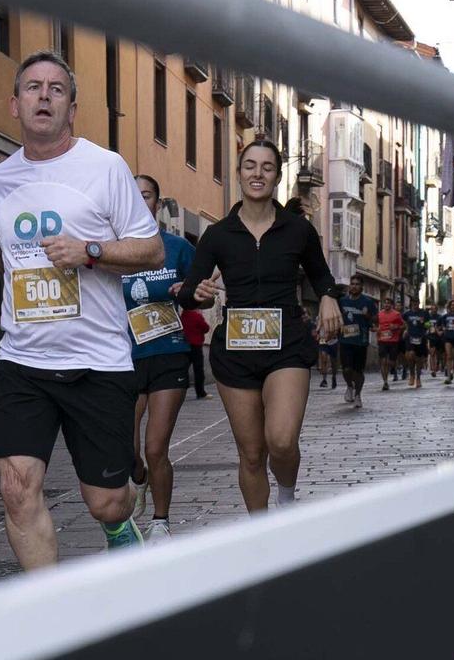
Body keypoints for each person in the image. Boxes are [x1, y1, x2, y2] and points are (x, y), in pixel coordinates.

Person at [0, 50, 160, 567]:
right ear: (15, 104)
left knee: (106, 502)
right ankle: (53, 619)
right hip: (24, 360)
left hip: (97, 360)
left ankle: (120, 523)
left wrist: (90, 251)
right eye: (32, 88)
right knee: (17, 489)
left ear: (72, 108)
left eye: (56, 89)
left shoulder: (105, 168)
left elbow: (150, 249)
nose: (43, 96)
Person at [176, 136, 344, 509]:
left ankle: (286, 497)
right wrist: (196, 293)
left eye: (267, 167)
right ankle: (262, 538)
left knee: (282, 441)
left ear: (277, 177)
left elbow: (321, 276)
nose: (258, 173)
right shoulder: (218, 234)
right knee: (251, 454)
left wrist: (330, 296)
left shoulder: (298, 230)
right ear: (238, 173)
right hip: (235, 351)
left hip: (286, 346)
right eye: (250, 166)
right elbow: (189, 291)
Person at [125, 175, 194, 539]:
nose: (139, 200)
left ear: (157, 202)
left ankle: (160, 522)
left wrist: (190, 292)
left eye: (147, 194)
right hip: (124, 358)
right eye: (133, 195)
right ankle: (138, 480)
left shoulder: (178, 249)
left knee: (155, 447)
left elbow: (206, 295)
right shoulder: (113, 250)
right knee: (125, 447)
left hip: (168, 353)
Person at [338, 273, 377, 409]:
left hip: (361, 341)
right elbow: (337, 318)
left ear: (361, 287)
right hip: (345, 340)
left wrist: (368, 316)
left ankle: (358, 395)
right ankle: (349, 386)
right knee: (346, 369)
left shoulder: (368, 302)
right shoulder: (342, 301)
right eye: (352, 284)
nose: (354, 286)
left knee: (358, 371)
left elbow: (375, 321)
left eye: (357, 284)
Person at [376, 288, 404, 390]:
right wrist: (377, 329)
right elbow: (375, 325)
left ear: (391, 305)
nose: (386, 305)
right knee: (383, 361)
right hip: (382, 340)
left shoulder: (396, 314)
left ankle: (393, 368)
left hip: (393, 341)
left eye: (388, 303)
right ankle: (385, 382)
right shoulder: (379, 314)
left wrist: (396, 327)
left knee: (391, 362)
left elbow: (403, 326)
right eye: (385, 303)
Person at [181, 300, 210, 397]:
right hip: (196, 345)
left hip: (185, 345)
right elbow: (206, 328)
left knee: (184, 369)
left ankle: (182, 389)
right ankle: (200, 392)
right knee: (198, 370)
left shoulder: (183, 316)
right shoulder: (197, 316)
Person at [402, 293, 429, 387]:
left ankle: (418, 378)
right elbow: (403, 322)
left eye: (416, 302)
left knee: (419, 359)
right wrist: (405, 329)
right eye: (413, 302)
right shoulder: (407, 314)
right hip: (410, 337)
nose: (415, 304)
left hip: (420, 337)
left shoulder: (424, 313)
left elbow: (428, 324)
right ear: (411, 303)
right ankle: (412, 374)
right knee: (410, 355)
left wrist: (425, 325)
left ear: (419, 303)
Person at [440, 298, 454, 383]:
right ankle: (448, 376)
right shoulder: (445, 316)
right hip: (448, 337)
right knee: (449, 356)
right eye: (452, 305)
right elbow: (441, 325)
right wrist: (442, 329)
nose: (453, 306)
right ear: (449, 306)